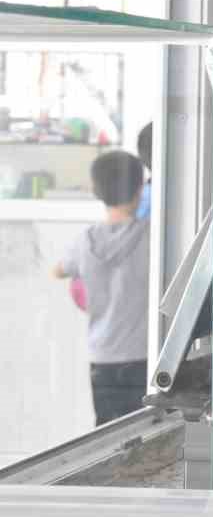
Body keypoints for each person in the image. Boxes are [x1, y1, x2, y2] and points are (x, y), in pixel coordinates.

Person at [51, 150, 151, 425]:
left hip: (103, 356)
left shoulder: (84, 242)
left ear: (96, 190)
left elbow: (57, 270)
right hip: (143, 355)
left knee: (107, 432)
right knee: (143, 431)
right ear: (140, 188)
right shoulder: (151, 236)